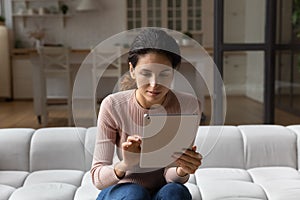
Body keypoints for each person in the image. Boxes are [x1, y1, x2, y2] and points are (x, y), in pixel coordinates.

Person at [91, 28, 203, 200]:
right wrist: (126, 164)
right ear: (132, 70)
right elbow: (98, 178)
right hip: (123, 191)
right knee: (135, 193)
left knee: (175, 192)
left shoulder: (189, 106)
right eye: (146, 73)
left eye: (164, 73)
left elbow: (171, 176)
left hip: (163, 191)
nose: (154, 84)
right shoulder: (113, 106)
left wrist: (182, 170)